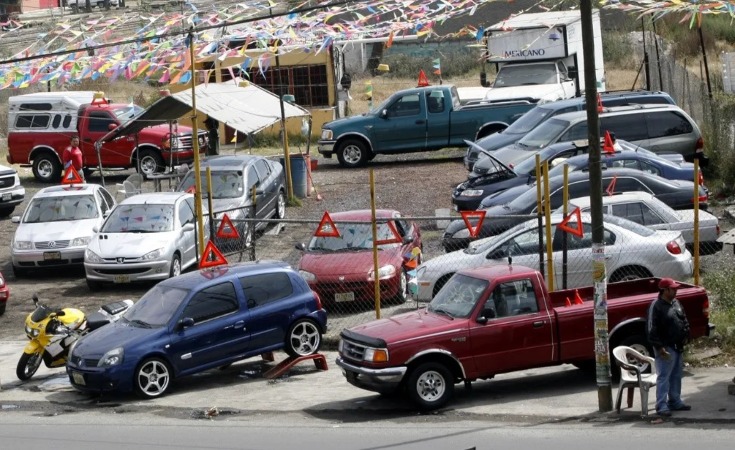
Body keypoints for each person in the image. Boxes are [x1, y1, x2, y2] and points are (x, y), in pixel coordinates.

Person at [646, 278, 692, 417]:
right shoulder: (656, 306)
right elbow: (651, 330)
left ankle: (675, 401)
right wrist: (660, 348)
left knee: (676, 375)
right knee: (664, 377)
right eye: (673, 288)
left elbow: (683, 319)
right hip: (666, 348)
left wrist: (686, 335)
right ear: (665, 290)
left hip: (678, 346)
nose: (676, 290)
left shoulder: (676, 303)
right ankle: (661, 405)